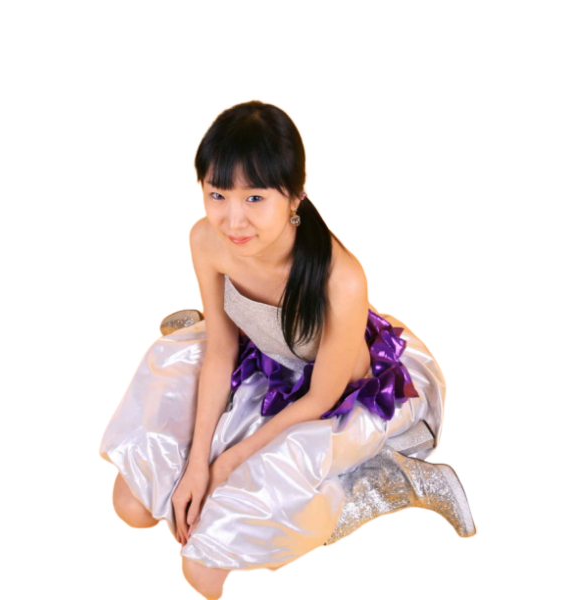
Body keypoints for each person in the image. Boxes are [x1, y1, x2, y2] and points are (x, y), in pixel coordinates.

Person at [99, 98, 476, 599]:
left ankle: (387, 481)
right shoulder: (206, 239)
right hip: (258, 360)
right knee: (132, 509)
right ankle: (225, 330)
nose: (234, 220)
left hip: (333, 399)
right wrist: (197, 465)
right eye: (217, 194)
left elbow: (320, 398)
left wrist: (227, 463)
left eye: (255, 198)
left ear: (296, 196)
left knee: (202, 574)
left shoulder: (341, 280)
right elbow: (221, 350)